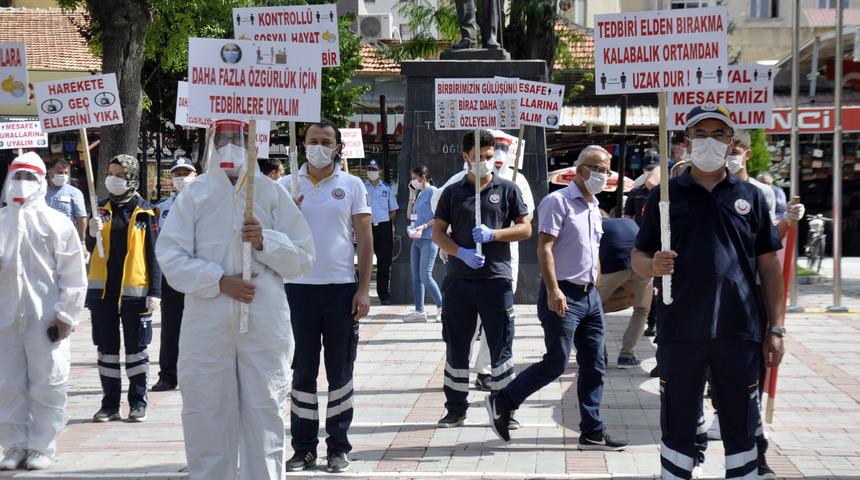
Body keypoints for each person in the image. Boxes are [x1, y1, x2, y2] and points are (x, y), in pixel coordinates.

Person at [631, 104, 785, 480]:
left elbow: (769, 265)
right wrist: (651, 266)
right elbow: (638, 254)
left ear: (731, 143)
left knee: (740, 425)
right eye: (701, 134)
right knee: (678, 424)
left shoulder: (752, 197)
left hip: (740, 331)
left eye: (719, 135)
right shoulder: (665, 197)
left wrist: (777, 329)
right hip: (680, 330)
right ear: (686, 143)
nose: (710, 142)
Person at [156, 119, 315, 480]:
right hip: (207, 326)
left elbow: (303, 259)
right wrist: (218, 281)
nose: (230, 145)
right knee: (206, 414)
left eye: (238, 137)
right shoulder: (193, 196)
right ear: (211, 141)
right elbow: (171, 257)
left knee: (265, 413)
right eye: (223, 137)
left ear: (252, 141)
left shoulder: (271, 194)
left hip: (264, 324)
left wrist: (265, 242)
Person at [485, 146, 627, 451]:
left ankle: (592, 430)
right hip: (562, 294)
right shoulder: (557, 201)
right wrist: (553, 290)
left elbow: (594, 251)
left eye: (607, 169)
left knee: (595, 364)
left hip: (590, 298)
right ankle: (503, 400)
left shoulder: (592, 206)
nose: (604, 175)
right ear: (580, 169)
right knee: (557, 361)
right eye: (599, 169)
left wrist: (597, 286)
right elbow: (544, 248)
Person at [280, 119, 373, 474]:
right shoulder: (287, 185)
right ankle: (303, 448)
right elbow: (271, 237)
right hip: (297, 290)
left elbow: (364, 239)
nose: (318, 146)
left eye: (325, 141)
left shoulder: (352, 185)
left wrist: (363, 289)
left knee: (340, 371)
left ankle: (338, 446)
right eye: (312, 140)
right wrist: (288, 209)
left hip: (340, 291)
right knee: (302, 372)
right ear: (302, 145)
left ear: (337, 147)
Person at [432, 129, 532, 429]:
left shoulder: (509, 189)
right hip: (460, 280)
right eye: (479, 158)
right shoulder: (453, 192)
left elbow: (526, 229)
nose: (486, 162)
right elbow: (437, 233)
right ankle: (455, 407)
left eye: (489, 157)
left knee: (501, 346)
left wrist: (495, 235)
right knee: (457, 345)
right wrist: (460, 252)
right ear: (466, 157)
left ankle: (505, 407)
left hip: (495, 279)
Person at [0, 153, 87, 471]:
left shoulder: (57, 223)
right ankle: (14, 445)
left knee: (47, 382)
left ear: (40, 182)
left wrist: (66, 315)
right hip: (5, 321)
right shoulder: (0, 223)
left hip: (45, 321)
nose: (22, 183)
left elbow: (73, 274)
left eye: (29, 176)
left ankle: (41, 445)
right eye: (17, 175)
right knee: (7, 384)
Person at [86, 154, 161, 423]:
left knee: (136, 351)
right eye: (110, 172)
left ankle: (137, 402)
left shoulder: (145, 211)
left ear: (130, 177)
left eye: (119, 174)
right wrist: (91, 233)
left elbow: (155, 255)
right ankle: (109, 404)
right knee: (106, 350)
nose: (113, 178)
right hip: (103, 294)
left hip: (134, 293)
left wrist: (155, 291)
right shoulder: (100, 210)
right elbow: (91, 249)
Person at [151, 157, 197, 392]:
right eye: (177, 174)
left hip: (199, 273)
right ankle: (168, 374)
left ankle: (199, 373)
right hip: (172, 275)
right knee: (171, 327)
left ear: (195, 175)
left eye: (186, 173)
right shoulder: (161, 208)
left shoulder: (206, 203)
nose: (182, 178)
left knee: (202, 325)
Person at [597, 216, 651, 369]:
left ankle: (601, 356)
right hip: (641, 263)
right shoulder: (628, 221)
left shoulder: (596, 224)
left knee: (593, 310)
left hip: (614, 264)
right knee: (642, 309)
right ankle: (626, 356)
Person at [405, 165, 442, 322]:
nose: (413, 181)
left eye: (415, 178)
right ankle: (419, 311)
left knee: (425, 275)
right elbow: (409, 215)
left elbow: (438, 216)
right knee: (416, 278)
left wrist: (424, 226)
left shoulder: (433, 191)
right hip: (417, 240)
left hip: (429, 239)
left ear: (423, 177)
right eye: (412, 178)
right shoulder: (419, 194)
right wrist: (411, 197)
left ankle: (442, 307)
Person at [364, 159, 398, 305]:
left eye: (374, 169)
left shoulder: (387, 188)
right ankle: (361, 292)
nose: (371, 171)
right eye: (369, 168)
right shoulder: (361, 187)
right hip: (366, 227)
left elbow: (393, 211)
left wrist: (382, 220)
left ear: (380, 171)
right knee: (364, 260)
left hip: (383, 228)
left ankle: (383, 294)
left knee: (384, 263)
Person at [44, 158, 87, 244]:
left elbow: (81, 219)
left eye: (66, 173)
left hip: (66, 241)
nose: (63, 175)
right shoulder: (40, 191)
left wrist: (82, 242)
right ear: (49, 173)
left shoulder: (75, 193)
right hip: (43, 240)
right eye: (60, 173)